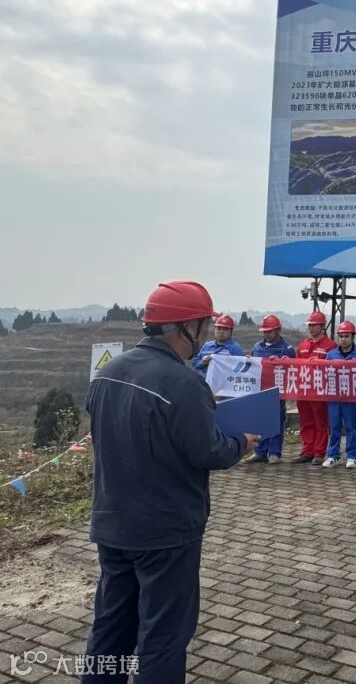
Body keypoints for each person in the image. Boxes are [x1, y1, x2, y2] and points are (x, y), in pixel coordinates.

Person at [83, 281, 257, 683]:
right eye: (204, 325)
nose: (206, 333)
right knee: (162, 637)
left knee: (110, 628)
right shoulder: (184, 383)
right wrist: (241, 443)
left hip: (112, 524)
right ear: (186, 328)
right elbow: (208, 451)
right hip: (165, 532)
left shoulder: (108, 372)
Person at [243, 315, 296, 465]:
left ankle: (274, 452)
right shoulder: (257, 347)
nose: (266, 334)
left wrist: (282, 361)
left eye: (270, 331)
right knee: (261, 420)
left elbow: (293, 368)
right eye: (265, 331)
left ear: (278, 330)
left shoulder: (287, 349)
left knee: (276, 421)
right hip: (260, 390)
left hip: (277, 391)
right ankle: (260, 451)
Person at [293, 310, 335, 465]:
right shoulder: (303, 345)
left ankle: (319, 452)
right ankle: (307, 451)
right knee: (306, 421)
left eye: (314, 325)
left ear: (323, 326)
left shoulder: (330, 346)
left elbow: (333, 368)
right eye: (309, 325)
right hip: (303, 390)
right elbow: (295, 366)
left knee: (320, 421)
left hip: (320, 391)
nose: (311, 328)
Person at [324, 321, 356, 468]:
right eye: (341, 336)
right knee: (334, 426)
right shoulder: (331, 355)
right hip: (334, 397)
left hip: (351, 397)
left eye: (347, 336)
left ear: (353, 337)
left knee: (351, 426)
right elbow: (323, 374)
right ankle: (333, 455)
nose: (344, 339)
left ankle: (352, 456)